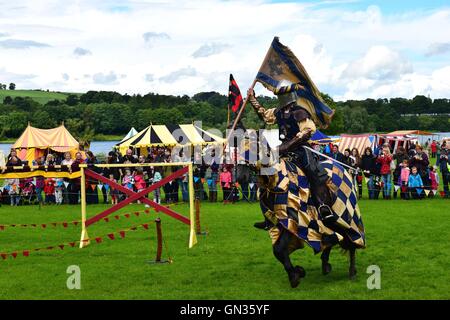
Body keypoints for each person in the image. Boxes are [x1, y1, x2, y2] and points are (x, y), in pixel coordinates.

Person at [247, 81, 336, 232]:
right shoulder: (278, 112)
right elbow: (264, 115)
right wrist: (252, 99)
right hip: (283, 151)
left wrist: (287, 146)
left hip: (301, 149)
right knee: (265, 174)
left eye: (282, 95)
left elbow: (308, 131)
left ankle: (323, 206)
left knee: (312, 172)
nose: (280, 98)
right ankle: (268, 216)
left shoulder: (300, 112)